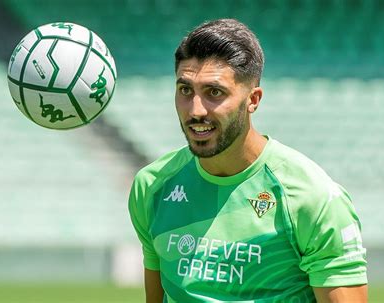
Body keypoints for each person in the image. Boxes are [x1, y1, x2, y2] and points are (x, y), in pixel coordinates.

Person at [128, 19, 368, 303]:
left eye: (214, 92)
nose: (195, 110)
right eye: (185, 90)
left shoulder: (312, 198)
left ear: (253, 100)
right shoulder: (153, 186)